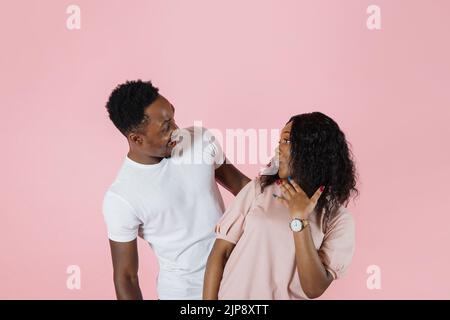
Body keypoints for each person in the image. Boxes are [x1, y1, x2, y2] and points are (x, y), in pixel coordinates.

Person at [103, 80, 250, 300]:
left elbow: (242, 187)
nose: (176, 129)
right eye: (166, 126)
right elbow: (126, 277)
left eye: (172, 116)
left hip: (237, 283)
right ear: (136, 138)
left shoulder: (200, 139)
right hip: (183, 295)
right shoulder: (121, 197)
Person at [203, 112, 358, 300]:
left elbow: (314, 288)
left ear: (311, 149)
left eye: (285, 141)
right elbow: (219, 253)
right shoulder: (259, 189)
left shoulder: (338, 218)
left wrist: (299, 219)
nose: (278, 150)